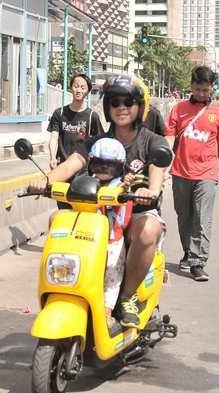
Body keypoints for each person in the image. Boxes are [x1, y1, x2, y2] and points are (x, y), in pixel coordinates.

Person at [30, 75, 170, 327]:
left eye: (128, 102)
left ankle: (125, 297)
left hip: (137, 213)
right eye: (115, 102)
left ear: (138, 106)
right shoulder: (97, 143)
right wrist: (45, 182)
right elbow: (73, 163)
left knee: (149, 230)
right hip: (99, 212)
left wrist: (152, 190)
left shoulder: (152, 141)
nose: (121, 108)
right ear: (108, 107)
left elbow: (157, 174)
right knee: (58, 219)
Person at [165, 66, 219, 282]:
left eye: (205, 90)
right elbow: (168, 138)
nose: (201, 94)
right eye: (197, 89)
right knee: (184, 217)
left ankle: (198, 262)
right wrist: (163, 165)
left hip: (207, 173)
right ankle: (188, 251)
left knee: (202, 218)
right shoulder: (178, 109)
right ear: (191, 86)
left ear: (212, 88)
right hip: (181, 173)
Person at [85, 138, 134, 328]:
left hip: (112, 239)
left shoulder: (119, 186)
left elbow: (123, 190)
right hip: (87, 236)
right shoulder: (85, 182)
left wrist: (126, 185)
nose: (103, 169)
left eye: (109, 165)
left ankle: (106, 309)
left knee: (112, 272)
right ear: (90, 162)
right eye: (99, 164)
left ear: (120, 167)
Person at [47, 73, 104, 170]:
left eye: (83, 87)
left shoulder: (92, 116)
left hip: (82, 169)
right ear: (71, 88)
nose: (79, 90)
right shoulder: (59, 113)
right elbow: (54, 137)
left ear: (88, 91)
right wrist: (52, 157)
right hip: (61, 167)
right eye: (76, 86)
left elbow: (99, 143)